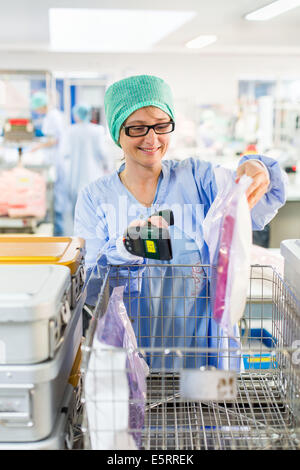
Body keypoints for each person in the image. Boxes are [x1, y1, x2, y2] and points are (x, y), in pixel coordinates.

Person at [74, 75, 286, 368]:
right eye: (137, 128)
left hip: (205, 351)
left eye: (161, 126)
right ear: (117, 133)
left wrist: (255, 168)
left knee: (215, 413)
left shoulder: (196, 177)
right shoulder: (95, 197)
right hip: (129, 356)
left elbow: (240, 189)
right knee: (138, 413)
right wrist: (126, 247)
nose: (152, 139)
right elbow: (90, 287)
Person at [60, 103, 109, 232]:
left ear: (76, 115)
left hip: (74, 176)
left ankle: (78, 236)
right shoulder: (97, 130)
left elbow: (64, 153)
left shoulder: (70, 130)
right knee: (94, 211)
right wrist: (108, 167)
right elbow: (103, 153)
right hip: (94, 174)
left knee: (76, 210)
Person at [30, 91, 66, 235]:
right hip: (52, 159)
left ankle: (58, 232)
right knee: (52, 195)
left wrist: (38, 146)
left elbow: (54, 139)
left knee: (55, 197)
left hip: (55, 160)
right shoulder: (50, 116)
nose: (36, 111)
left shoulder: (53, 117)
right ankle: (54, 226)